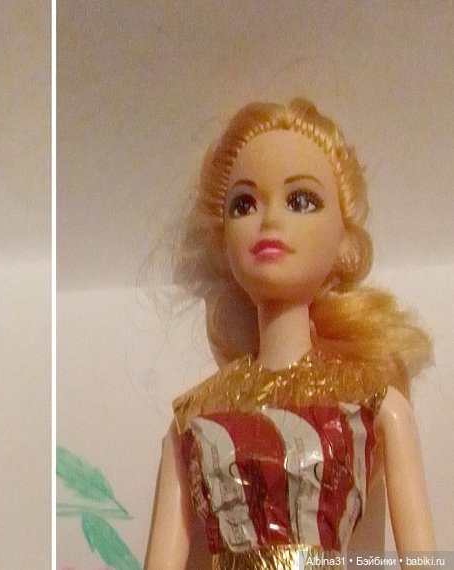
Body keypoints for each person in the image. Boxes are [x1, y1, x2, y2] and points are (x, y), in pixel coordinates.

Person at [145, 99, 435, 569]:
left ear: (344, 242)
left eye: (301, 200)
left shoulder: (373, 403)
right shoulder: (195, 418)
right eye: (244, 204)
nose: (270, 221)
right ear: (224, 240)